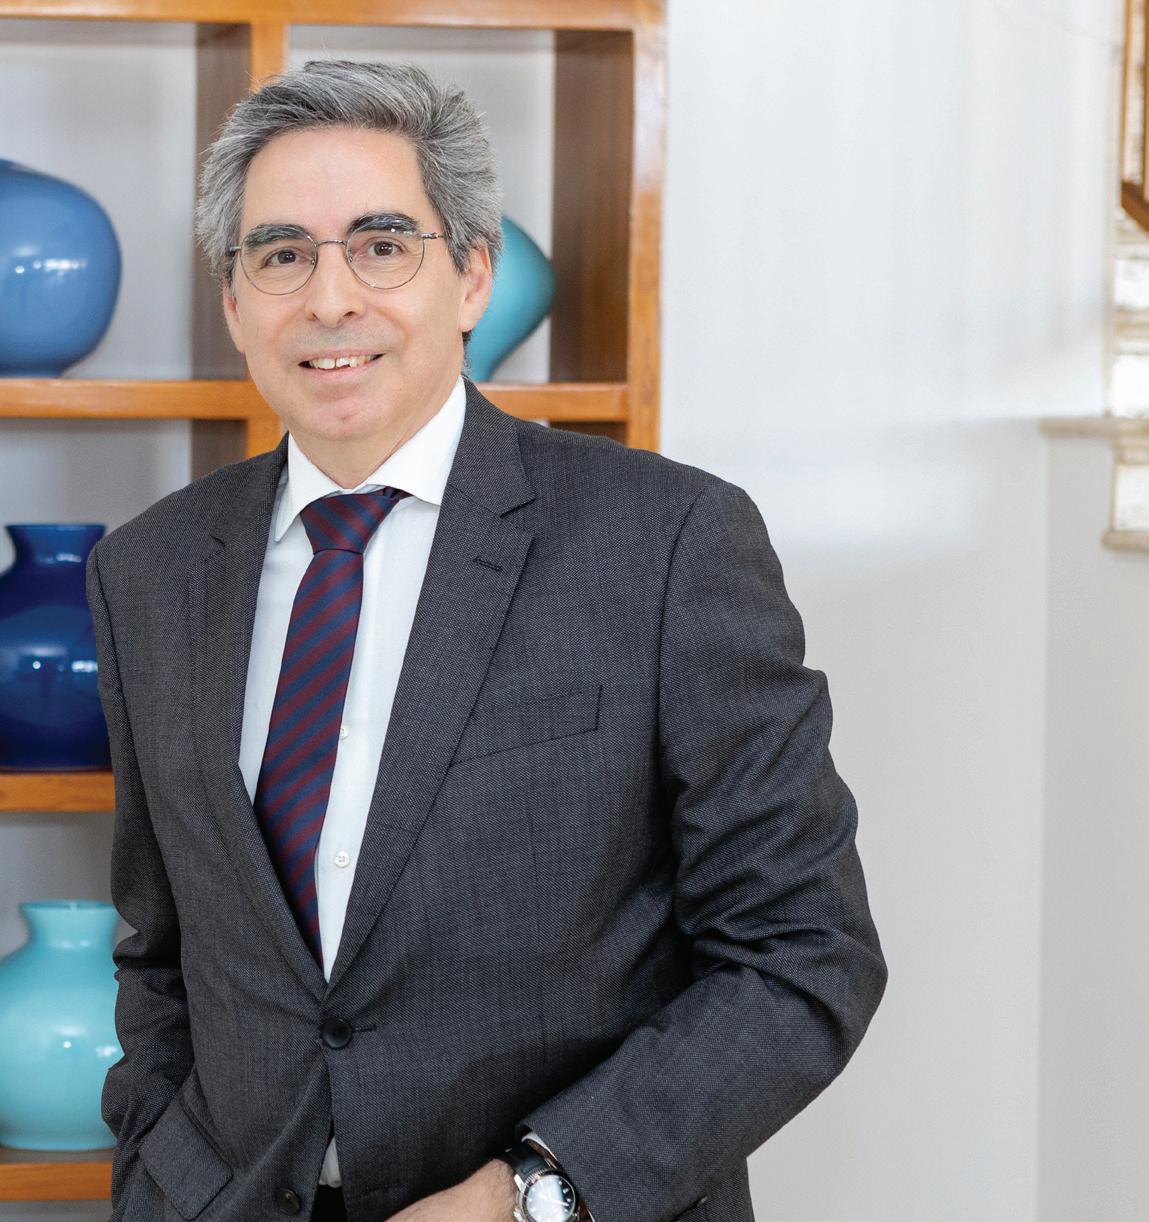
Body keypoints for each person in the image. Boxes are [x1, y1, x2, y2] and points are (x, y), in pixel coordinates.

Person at [87, 59, 887, 1222]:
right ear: (234, 303)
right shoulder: (149, 572)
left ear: (471, 274)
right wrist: (161, 1174)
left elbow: (803, 952)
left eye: (381, 245)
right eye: (281, 254)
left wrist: (532, 1194)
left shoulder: (666, 542)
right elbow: (161, 951)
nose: (328, 299)